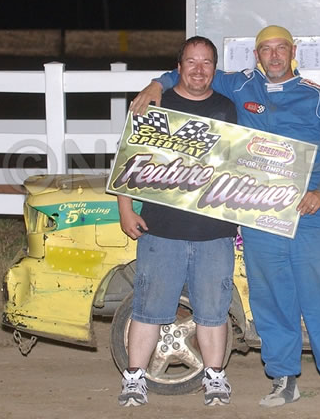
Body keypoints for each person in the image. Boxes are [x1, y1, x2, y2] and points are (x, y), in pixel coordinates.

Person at [130, 25, 320, 407]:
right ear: (256, 55)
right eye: (265, 49)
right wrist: (157, 84)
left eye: (280, 48)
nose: (274, 56)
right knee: (270, 296)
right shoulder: (240, 85)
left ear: (292, 51)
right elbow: (194, 71)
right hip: (261, 212)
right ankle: (283, 377)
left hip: (314, 212)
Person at [116, 36, 238, 407]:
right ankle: (134, 378)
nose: (199, 70)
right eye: (191, 62)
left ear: (214, 69)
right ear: (179, 66)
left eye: (206, 63)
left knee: (213, 310)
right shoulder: (156, 104)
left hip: (214, 231)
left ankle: (214, 378)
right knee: (148, 307)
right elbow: (130, 157)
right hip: (161, 229)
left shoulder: (227, 109)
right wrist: (125, 208)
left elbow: (241, 165)